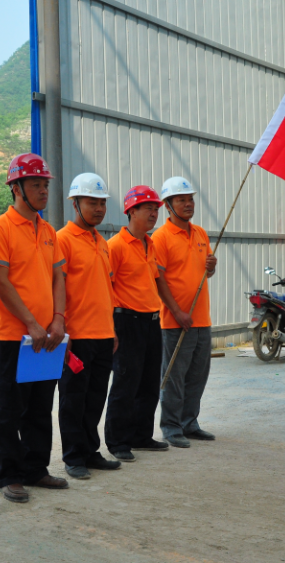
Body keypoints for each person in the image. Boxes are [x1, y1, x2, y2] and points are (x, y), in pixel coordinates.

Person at [0, 153, 69, 503]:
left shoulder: (48, 231)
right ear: (16, 188)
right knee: (10, 409)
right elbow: (1, 282)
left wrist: (58, 318)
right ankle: (10, 475)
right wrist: (31, 323)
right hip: (13, 338)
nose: (43, 190)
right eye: (36, 184)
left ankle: (36, 469)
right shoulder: (0, 228)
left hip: (47, 337)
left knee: (39, 406)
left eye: (45, 184)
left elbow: (58, 277)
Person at [56, 173, 122, 480]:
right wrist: (63, 330)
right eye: (91, 203)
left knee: (95, 398)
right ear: (75, 204)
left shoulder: (102, 243)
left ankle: (90, 451)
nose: (98, 209)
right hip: (77, 336)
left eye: (102, 203)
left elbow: (106, 290)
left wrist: (112, 329)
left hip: (103, 334)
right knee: (73, 399)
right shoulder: (62, 241)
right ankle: (73, 457)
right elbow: (57, 288)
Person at [104, 185, 170, 461]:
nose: (154, 214)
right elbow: (106, 287)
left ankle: (141, 435)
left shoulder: (149, 244)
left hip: (151, 321)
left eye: (156, 209)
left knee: (149, 382)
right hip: (126, 321)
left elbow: (154, 281)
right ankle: (118, 441)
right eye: (148, 209)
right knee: (125, 383)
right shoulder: (116, 246)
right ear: (131, 211)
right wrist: (110, 327)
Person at [152, 176, 218, 448]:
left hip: (201, 318)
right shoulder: (160, 238)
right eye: (181, 200)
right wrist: (176, 311)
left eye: (190, 199)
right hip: (175, 321)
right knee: (174, 377)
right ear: (168, 205)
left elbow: (206, 273)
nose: (188, 204)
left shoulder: (200, 233)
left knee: (197, 376)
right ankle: (171, 426)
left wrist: (212, 266)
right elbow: (158, 279)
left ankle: (190, 423)